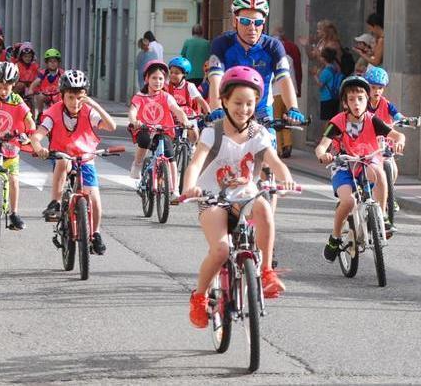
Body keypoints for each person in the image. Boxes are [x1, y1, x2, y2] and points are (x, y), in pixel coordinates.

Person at [182, 66, 297, 327]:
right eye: (237, 103)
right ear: (223, 101)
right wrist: (190, 187)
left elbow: (274, 162)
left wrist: (285, 178)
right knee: (221, 249)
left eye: (250, 103)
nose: (243, 109)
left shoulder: (258, 133)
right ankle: (199, 297)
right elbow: (195, 164)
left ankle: (266, 272)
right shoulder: (213, 132)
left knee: (264, 207)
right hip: (213, 199)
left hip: (245, 197)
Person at [315, 75, 405, 256]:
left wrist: (400, 142)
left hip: (367, 161)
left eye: (361, 99)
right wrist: (323, 155)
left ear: (367, 100)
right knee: (348, 201)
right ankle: (335, 237)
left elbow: (397, 135)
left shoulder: (373, 120)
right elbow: (321, 146)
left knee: (380, 172)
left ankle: (382, 215)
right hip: (344, 164)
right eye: (351, 99)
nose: (356, 103)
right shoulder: (338, 122)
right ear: (345, 103)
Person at [32, 70, 116, 256]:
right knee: (63, 163)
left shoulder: (88, 111)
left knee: (94, 199)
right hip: (64, 155)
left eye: (79, 97)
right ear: (62, 96)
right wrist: (39, 148)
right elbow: (37, 136)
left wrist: (94, 104)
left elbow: (111, 126)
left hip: (85, 158)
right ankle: (55, 202)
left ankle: (95, 234)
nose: (75, 102)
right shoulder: (54, 112)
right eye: (70, 97)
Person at [205, 0, 306, 127]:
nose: (252, 28)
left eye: (258, 22)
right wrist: (217, 107)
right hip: (230, 110)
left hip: (261, 111)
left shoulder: (273, 46)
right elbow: (215, 79)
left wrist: (293, 108)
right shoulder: (222, 44)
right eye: (245, 21)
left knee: (268, 146)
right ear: (235, 21)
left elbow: (284, 79)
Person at [0, 62, 36, 231]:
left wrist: (30, 134)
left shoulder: (17, 101)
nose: (2, 91)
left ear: (13, 85)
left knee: (13, 180)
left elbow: (29, 119)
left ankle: (13, 213)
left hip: (11, 143)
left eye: (6, 87)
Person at [128, 60, 192, 191]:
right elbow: (132, 111)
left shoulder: (166, 96)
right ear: (146, 78)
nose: (158, 81)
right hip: (144, 128)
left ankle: (173, 188)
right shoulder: (140, 96)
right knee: (144, 140)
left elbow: (177, 110)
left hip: (163, 131)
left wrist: (185, 121)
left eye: (161, 78)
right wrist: (134, 121)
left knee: (170, 155)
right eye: (154, 78)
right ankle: (138, 163)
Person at [272, 27, 303, 158]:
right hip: (291, 92)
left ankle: (279, 147)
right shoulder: (289, 57)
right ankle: (288, 144)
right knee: (287, 118)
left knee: (277, 119)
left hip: (276, 92)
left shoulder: (273, 59)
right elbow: (297, 73)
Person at [165, 57, 209, 132]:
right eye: (171, 72)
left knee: (194, 133)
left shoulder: (189, 86)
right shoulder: (166, 85)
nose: (172, 75)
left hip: (189, 116)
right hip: (172, 116)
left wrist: (209, 113)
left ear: (184, 74)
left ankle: (193, 143)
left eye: (176, 73)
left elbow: (201, 100)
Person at [29, 48, 64, 113]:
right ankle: (40, 113)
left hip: (57, 95)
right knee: (40, 97)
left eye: (55, 61)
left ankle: (61, 113)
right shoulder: (43, 73)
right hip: (46, 94)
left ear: (58, 62)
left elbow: (65, 83)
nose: (53, 63)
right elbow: (36, 82)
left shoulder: (61, 73)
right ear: (46, 63)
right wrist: (31, 89)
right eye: (50, 61)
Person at [316, 47, 343, 122]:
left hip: (326, 98)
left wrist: (315, 75)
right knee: (333, 120)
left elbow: (320, 85)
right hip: (335, 97)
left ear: (324, 59)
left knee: (327, 121)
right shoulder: (335, 68)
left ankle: (326, 134)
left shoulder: (326, 71)